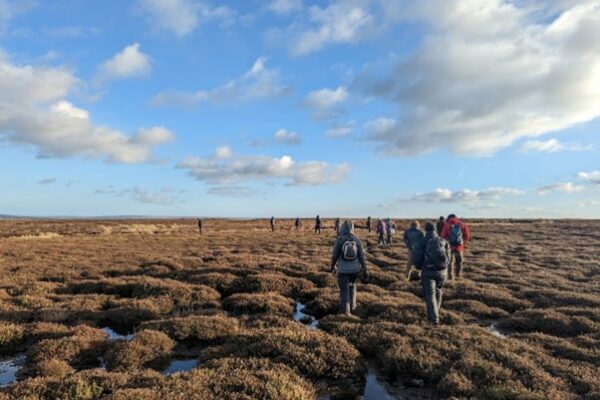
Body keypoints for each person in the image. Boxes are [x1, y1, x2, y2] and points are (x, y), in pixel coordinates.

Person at [413, 222, 451, 324]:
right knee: (438, 291)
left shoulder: (422, 242)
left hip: (428, 272)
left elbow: (417, 259)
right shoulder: (444, 241)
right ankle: (435, 313)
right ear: (436, 230)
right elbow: (449, 258)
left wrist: (420, 267)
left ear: (426, 230)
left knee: (430, 295)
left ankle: (434, 319)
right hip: (442, 272)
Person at [330, 220, 369, 315]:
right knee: (352, 287)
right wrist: (365, 269)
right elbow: (361, 257)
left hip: (343, 270)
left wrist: (332, 266)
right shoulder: (356, 239)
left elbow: (334, 255)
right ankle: (353, 307)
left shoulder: (339, 239)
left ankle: (346, 313)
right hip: (355, 270)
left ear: (342, 228)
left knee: (344, 291)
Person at [441, 214, 470, 280]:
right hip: (459, 247)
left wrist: (445, 244)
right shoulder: (462, 224)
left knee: (450, 262)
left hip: (450, 247)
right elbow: (466, 235)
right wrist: (463, 243)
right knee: (459, 261)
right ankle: (458, 275)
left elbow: (443, 236)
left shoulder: (447, 225)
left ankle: (450, 277)